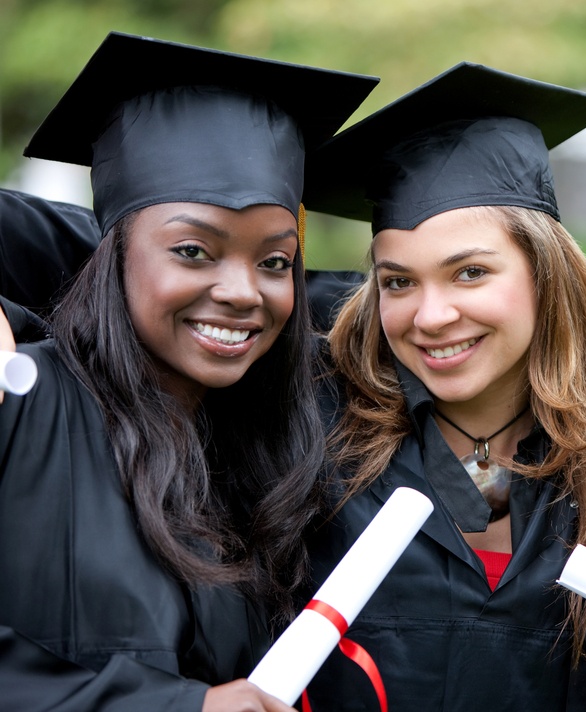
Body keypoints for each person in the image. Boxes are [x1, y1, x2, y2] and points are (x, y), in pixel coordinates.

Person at [0, 32, 378, 711]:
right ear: (110, 255)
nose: (243, 291)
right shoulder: (22, 403)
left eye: (274, 261)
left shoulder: (264, 448)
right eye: (194, 250)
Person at [282, 62, 586, 711]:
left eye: (470, 272)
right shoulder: (310, 423)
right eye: (398, 282)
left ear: (544, 274)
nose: (431, 315)